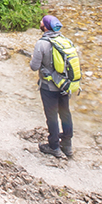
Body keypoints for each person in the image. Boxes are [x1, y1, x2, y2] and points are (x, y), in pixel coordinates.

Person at [30, 13, 73, 159]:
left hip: (49, 87)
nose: (40, 21)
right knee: (65, 114)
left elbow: (34, 67)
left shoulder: (41, 44)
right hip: (65, 86)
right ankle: (67, 145)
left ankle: (54, 146)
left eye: (42, 21)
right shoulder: (66, 41)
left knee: (52, 116)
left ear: (46, 27)